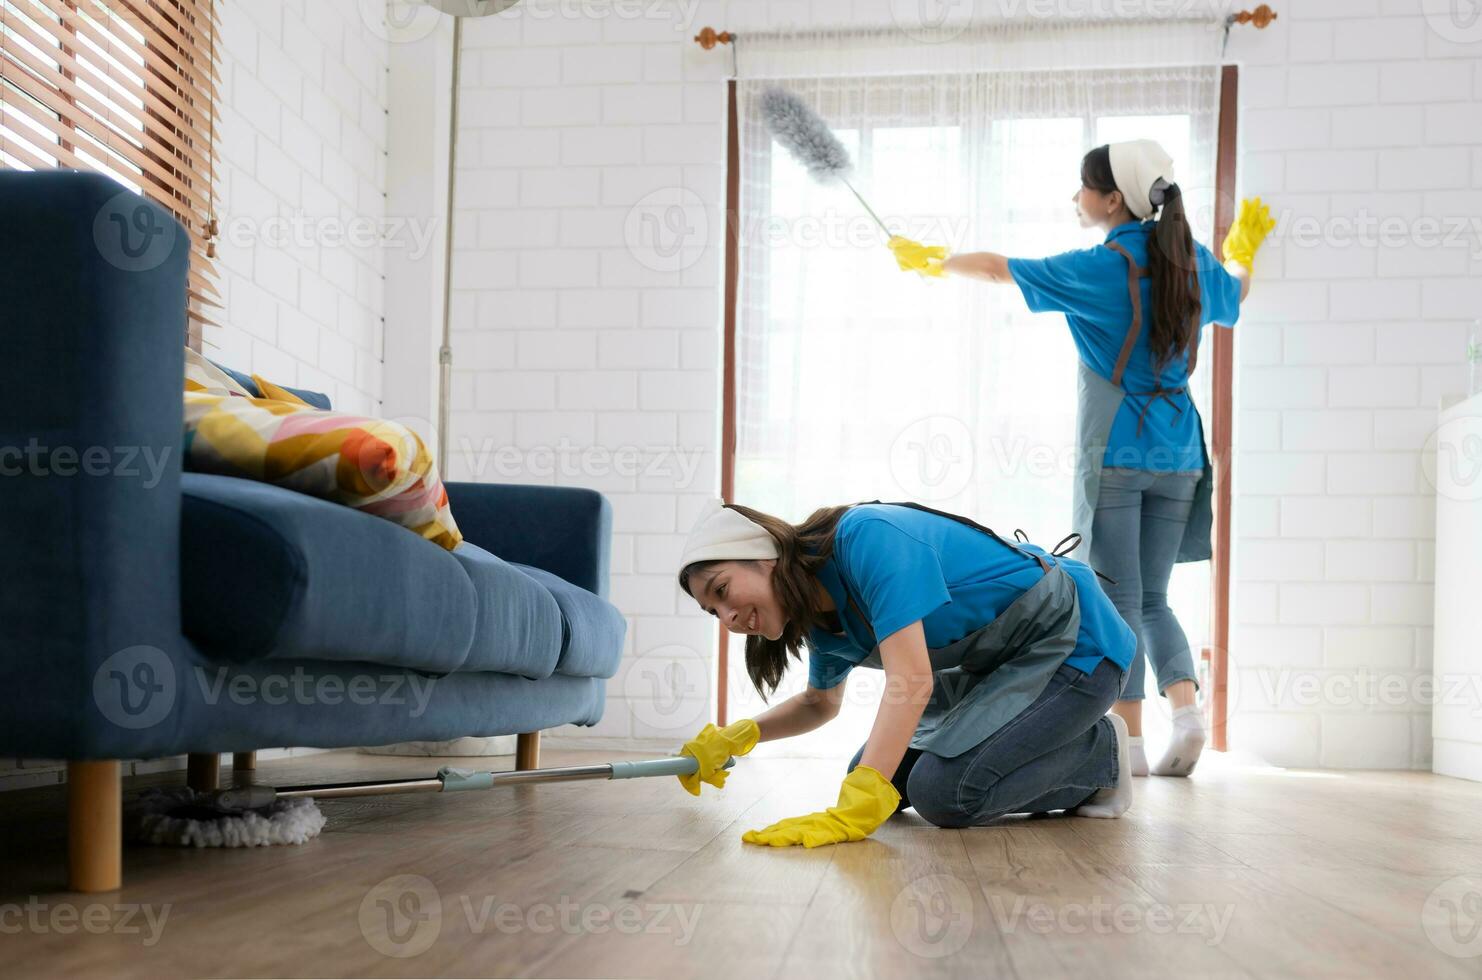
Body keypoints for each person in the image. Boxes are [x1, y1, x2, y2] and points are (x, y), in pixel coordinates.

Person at [886, 139, 1276, 776]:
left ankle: (1131, 744)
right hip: (1180, 453)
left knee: (1118, 597)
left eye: (1083, 187)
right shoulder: (1193, 260)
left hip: (1118, 449)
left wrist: (934, 263)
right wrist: (1244, 251)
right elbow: (1236, 291)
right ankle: (1188, 714)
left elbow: (998, 270)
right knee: (1155, 597)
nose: (1076, 197)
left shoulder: (1102, 268)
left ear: (1112, 199)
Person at [673, 497, 1137, 848]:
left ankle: (1100, 757)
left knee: (944, 794)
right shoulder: (818, 618)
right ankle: (1054, 737)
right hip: (999, 668)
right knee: (878, 777)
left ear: (765, 555)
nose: (728, 618)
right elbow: (819, 705)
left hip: (1076, 646)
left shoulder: (866, 539)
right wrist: (739, 736)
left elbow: (911, 680)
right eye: (713, 612)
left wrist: (857, 805)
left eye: (722, 589)